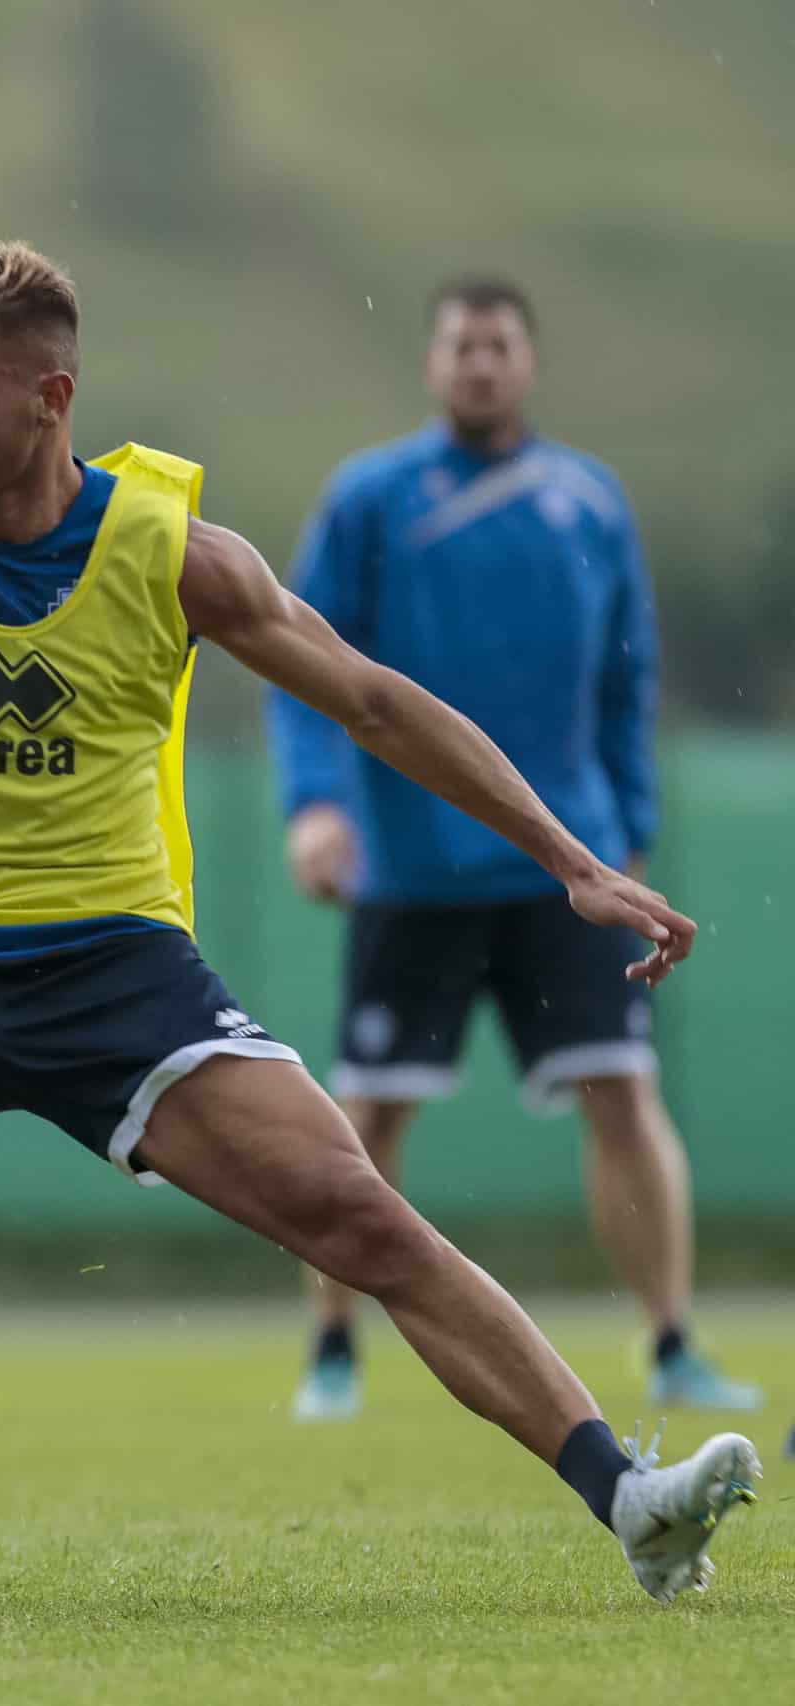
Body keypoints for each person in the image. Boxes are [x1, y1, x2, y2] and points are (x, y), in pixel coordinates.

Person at [0, 243, 757, 1602]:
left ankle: (628, 1497)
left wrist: (572, 862)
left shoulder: (175, 556)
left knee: (367, 1219)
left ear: (53, 396)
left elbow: (375, 702)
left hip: (114, 970)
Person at [267, 277, 760, 1424]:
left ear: (526, 361)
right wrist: (315, 802)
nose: (477, 364)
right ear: (433, 362)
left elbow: (626, 676)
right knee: (365, 1118)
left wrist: (622, 819)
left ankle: (673, 1338)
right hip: (410, 864)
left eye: (496, 345)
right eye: (458, 345)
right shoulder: (371, 498)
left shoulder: (585, 499)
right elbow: (299, 661)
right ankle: (334, 1350)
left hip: (562, 871)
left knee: (623, 1090)